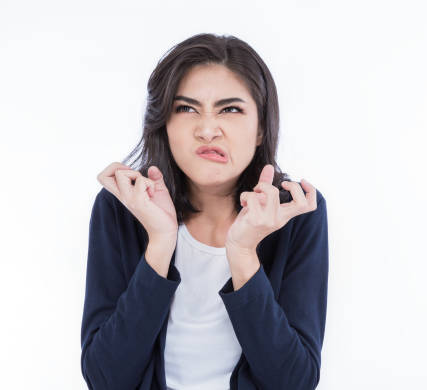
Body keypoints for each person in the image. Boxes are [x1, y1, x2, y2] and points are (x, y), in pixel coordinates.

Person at [80, 33, 329, 390]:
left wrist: (243, 255)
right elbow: (106, 379)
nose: (207, 130)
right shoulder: (124, 207)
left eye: (230, 109)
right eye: (186, 108)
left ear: (261, 128)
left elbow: (293, 382)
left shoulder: (294, 211)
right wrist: (160, 243)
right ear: (164, 124)